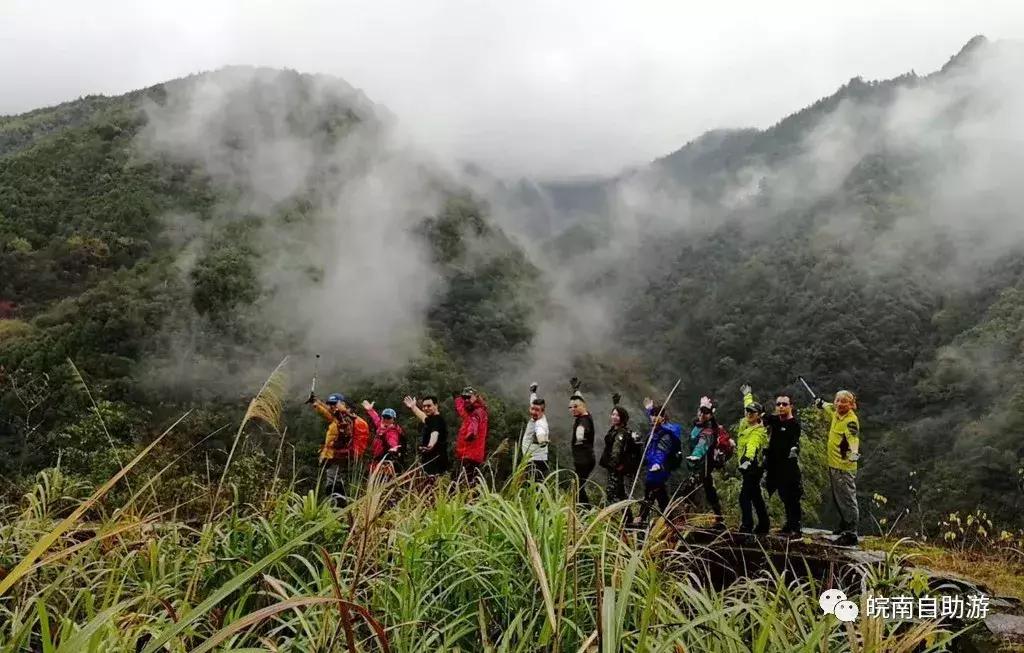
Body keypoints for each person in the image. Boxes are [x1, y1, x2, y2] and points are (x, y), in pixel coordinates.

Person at [744, 384, 803, 537]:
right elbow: (755, 412)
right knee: (779, 495)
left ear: (791, 406)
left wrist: (794, 449)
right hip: (773, 465)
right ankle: (784, 525)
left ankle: (795, 528)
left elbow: (796, 441)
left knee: (791, 497)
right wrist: (748, 395)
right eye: (778, 404)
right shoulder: (775, 420)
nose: (781, 407)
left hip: (788, 466)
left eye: (785, 404)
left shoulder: (794, 424)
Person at [816, 390, 861, 546]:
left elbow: (853, 439)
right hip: (833, 464)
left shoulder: (850, 421)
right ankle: (844, 525)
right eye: (838, 400)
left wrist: (855, 452)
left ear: (851, 404)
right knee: (839, 498)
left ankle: (851, 533)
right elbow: (826, 406)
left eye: (844, 402)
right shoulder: (835, 412)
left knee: (847, 499)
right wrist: (820, 404)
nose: (840, 404)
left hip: (844, 467)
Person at [309, 392, 370, 505]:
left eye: (334, 404)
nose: (332, 406)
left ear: (342, 403)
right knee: (334, 478)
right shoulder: (338, 416)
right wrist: (316, 403)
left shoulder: (344, 418)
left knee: (333, 480)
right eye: (331, 404)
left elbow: (344, 433)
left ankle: (338, 505)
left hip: (339, 455)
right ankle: (338, 504)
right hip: (335, 454)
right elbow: (327, 413)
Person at [638, 399, 683, 524]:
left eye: (656, 415)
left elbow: (661, 451)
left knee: (651, 489)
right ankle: (670, 519)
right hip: (653, 466)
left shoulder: (666, 434)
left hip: (660, 467)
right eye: (652, 415)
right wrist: (649, 409)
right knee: (658, 492)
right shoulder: (656, 430)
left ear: (663, 418)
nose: (653, 418)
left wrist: (657, 463)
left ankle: (641, 517)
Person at [688, 397, 726, 528]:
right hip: (697, 462)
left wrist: (696, 455)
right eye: (701, 411)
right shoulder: (697, 425)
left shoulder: (709, 429)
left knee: (692, 488)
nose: (702, 415)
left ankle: (680, 518)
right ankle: (719, 517)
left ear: (710, 415)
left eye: (705, 412)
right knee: (707, 488)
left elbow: (702, 443)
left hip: (704, 462)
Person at [600, 397, 641, 517]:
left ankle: (613, 518)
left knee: (612, 494)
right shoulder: (615, 430)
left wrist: (612, 465)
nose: (614, 417)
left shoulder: (621, 433)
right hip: (617, 469)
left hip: (617, 469)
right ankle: (626, 518)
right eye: (613, 414)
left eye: (617, 415)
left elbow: (616, 452)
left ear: (622, 418)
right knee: (620, 494)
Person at [736, 393, 770, 534]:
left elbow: (752, 446)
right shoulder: (745, 422)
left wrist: (747, 460)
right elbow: (747, 404)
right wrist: (747, 395)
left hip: (753, 466)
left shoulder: (758, 431)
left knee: (744, 497)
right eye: (748, 411)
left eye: (752, 412)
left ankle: (747, 525)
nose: (749, 414)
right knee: (755, 495)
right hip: (747, 467)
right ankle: (763, 524)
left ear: (759, 415)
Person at [403, 394, 449, 477]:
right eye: (424, 406)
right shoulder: (432, 419)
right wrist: (413, 407)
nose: (426, 408)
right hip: (431, 461)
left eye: (429, 406)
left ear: (436, 405)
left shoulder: (437, 420)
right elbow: (423, 417)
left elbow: (434, 433)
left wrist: (430, 445)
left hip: (435, 463)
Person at [569, 378, 596, 506]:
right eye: (570, 407)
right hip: (584, 459)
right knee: (579, 485)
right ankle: (582, 510)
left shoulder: (583, 422)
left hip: (584, 460)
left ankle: (585, 510)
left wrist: (580, 437)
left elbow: (581, 430)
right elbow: (580, 402)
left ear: (582, 407)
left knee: (578, 487)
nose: (572, 409)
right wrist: (576, 391)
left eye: (575, 407)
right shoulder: (586, 414)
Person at [453, 386, 488, 484]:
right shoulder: (470, 410)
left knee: (460, 485)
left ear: (476, 397)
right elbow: (462, 410)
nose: (466, 400)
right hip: (466, 454)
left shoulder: (477, 412)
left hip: (470, 457)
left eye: (469, 397)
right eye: (464, 398)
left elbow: (473, 424)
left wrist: (471, 434)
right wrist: (457, 399)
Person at [361, 400, 403, 476]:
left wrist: (393, 448)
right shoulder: (381, 426)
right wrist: (370, 410)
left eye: (389, 418)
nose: (386, 420)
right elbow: (376, 418)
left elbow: (393, 441)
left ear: (393, 419)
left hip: (385, 461)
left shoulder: (393, 431)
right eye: (384, 417)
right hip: (376, 459)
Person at [521, 382, 550, 480]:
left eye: (537, 410)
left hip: (536, 462)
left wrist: (542, 441)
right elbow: (533, 401)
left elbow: (540, 433)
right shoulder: (537, 415)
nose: (533, 412)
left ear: (543, 411)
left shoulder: (540, 423)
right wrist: (533, 392)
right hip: (533, 459)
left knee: (534, 488)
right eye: (532, 409)